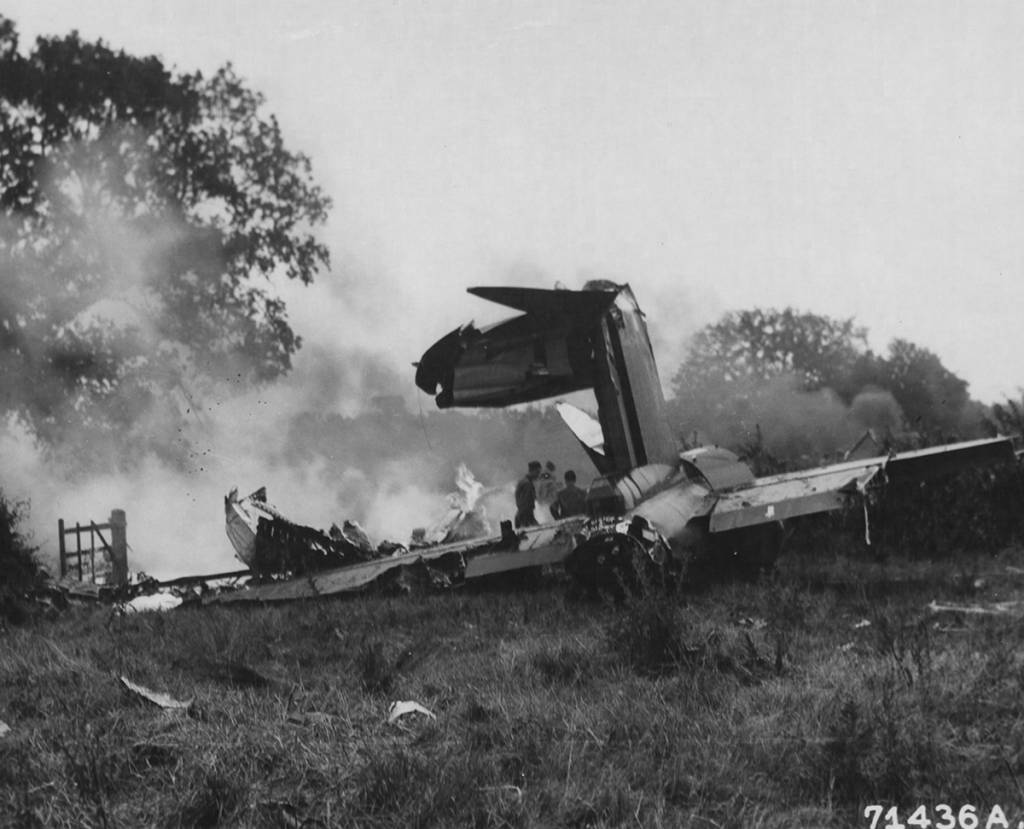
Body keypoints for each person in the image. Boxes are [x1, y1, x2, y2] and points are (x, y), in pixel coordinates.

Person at [514, 460, 542, 528]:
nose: (539, 475)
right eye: (537, 472)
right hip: (525, 517)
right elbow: (526, 505)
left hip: (521, 516)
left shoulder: (522, 482)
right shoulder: (527, 484)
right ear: (532, 471)